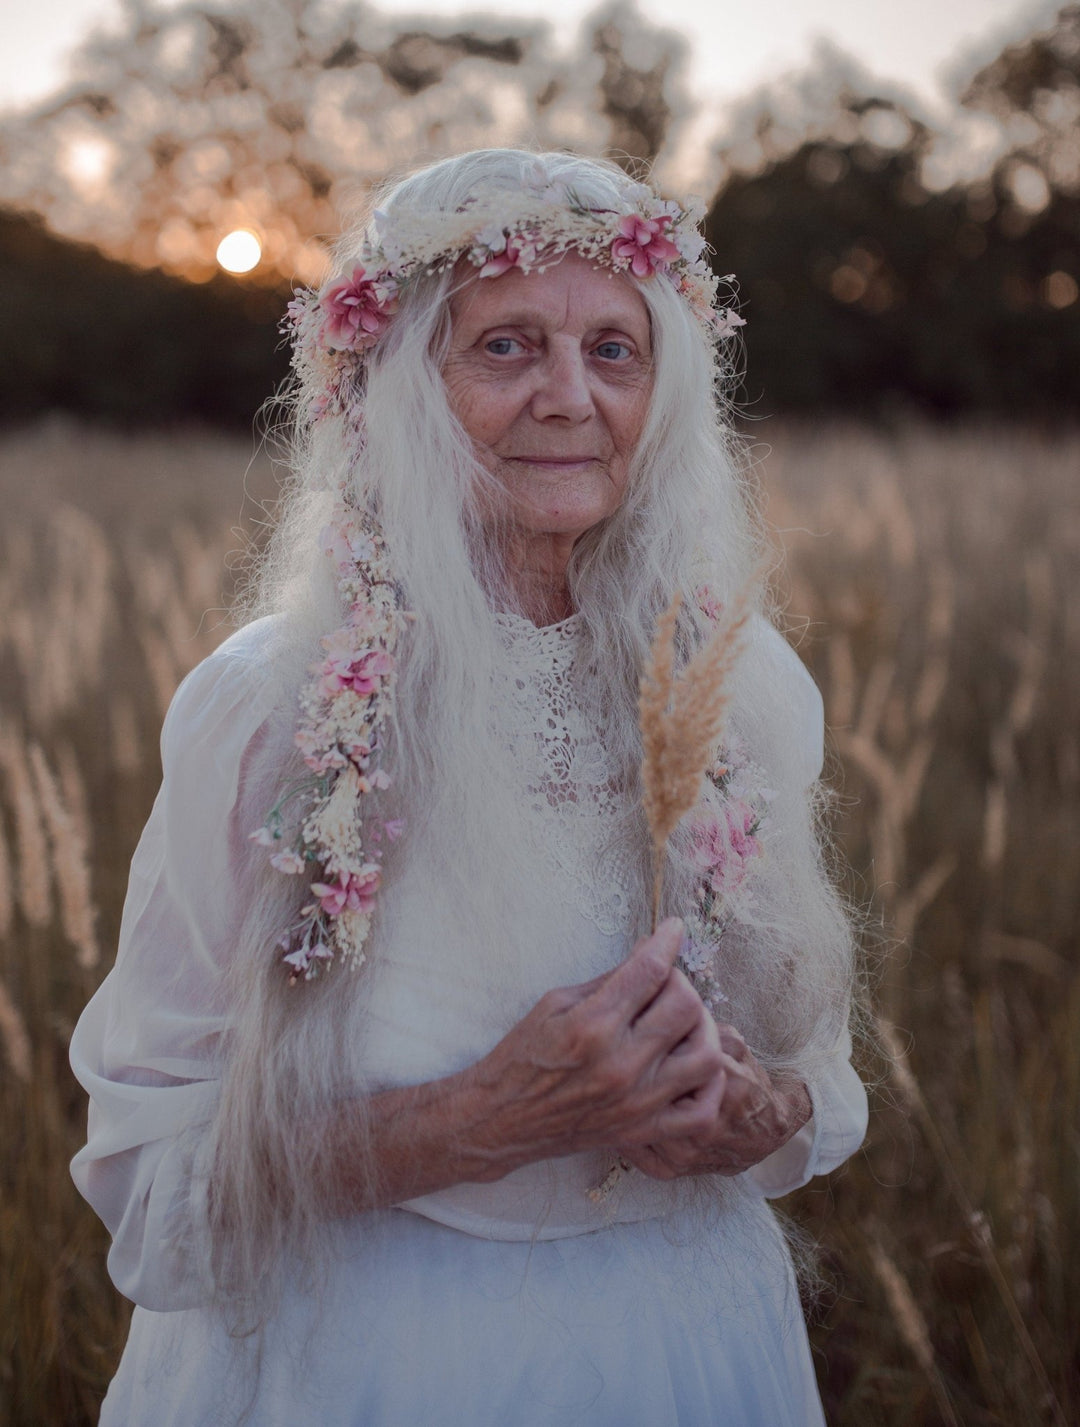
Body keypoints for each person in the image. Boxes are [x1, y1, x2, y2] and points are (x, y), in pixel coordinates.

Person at [71, 148, 868, 1426]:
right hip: (367, 1364)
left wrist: (751, 1109)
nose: (570, 397)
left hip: (689, 1350)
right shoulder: (267, 706)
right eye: (505, 347)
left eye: (616, 349)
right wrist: (471, 1121)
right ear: (397, 390)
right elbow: (150, 1195)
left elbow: (815, 1093)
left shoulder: (740, 682)